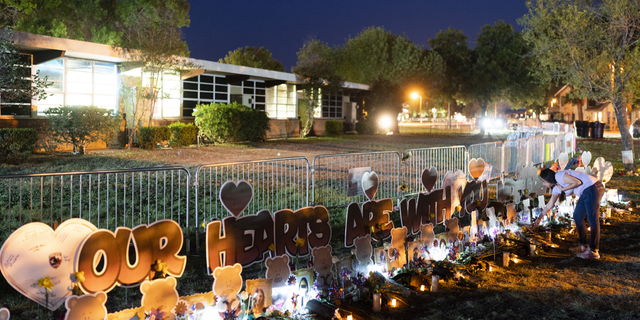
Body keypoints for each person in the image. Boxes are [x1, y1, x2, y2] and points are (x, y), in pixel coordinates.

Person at [535, 168, 604, 259]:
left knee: (592, 219)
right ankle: (584, 246)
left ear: (548, 178)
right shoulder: (556, 188)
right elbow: (549, 204)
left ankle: (593, 251)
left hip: (593, 187)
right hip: (586, 191)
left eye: (544, 181)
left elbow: (577, 182)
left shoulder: (559, 176)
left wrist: (563, 189)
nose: (543, 184)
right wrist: (539, 218)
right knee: (577, 216)